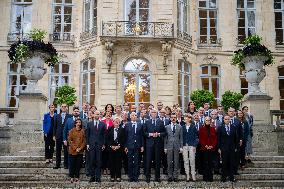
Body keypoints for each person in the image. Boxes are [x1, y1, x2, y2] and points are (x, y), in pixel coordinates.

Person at [144, 109, 166, 183]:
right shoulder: (147, 122)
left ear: (157, 114)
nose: (153, 114)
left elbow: (164, 132)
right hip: (149, 144)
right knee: (148, 161)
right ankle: (148, 176)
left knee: (157, 161)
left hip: (158, 144)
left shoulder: (161, 122)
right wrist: (150, 134)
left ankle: (157, 177)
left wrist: (159, 134)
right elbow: (144, 133)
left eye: (155, 112)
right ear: (150, 114)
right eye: (152, 112)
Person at [86, 110, 106, 183]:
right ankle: (92, 176)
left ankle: (98, 177)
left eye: (99, 114)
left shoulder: (103, 124)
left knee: (98, 161)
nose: (97, 115)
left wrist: (103, 144)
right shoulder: (89, 124)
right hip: (91, 145)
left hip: (99, 145)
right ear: (93, 115)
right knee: (91, 161)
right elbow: (87, 135)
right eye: (96, 114)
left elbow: (104, 135)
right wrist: (87, 144)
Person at [217, 115, 238, 182]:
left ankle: (231, 177)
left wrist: (236, 147)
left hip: (232, 148)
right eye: (225, 119)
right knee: (224, 163)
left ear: (230, 120)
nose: (227, 120)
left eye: (228, 119)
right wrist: (219, 148)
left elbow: (236, 138)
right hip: (223, 148)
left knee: (232, 163)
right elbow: (218, 139)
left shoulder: (233, 127)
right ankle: (223, 177)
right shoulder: (220, 128)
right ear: (223, 120)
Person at [124, 112, 144, 182]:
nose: (134, 116)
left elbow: (141, 136)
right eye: (132, 115)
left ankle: (136, 177)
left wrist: (142, 146)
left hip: (137, 145)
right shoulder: (127, 125)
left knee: (137, 161)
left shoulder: (140, 125)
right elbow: (125, 136)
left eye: (135, 115)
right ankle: (130, 176)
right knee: (129, 161)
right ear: (130, 117)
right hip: (129, 145)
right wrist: (125, 146)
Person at [164, 113, 183, 182]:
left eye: (174, 117)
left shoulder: (180, 127)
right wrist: (165, 148)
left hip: (177, 146)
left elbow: (181, 138)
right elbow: (165, 138)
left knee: (176, 161)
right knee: (169, 162)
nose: (173, 118)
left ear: (176, 118)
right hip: (169, 146)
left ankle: (175, 176)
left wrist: (181, 147)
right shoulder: (167, 127)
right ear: (170, 119)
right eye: (172, 117)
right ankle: (169, 176)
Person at [107, 117, 125, 182]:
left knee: (118, 163)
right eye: (115, 121)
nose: (116, 123)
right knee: (112, 163)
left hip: (119, 149)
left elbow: (123, 139)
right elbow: (107, 139)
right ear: (113, 122)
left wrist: (119, 146)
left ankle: (118, 176)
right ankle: (112, 176)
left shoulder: (122, 129)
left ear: (119, 123)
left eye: (118, 122)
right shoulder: (110, 129)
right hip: (111, 148)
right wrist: (111, 146)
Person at [199, 116, 217, 182]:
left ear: (210, 121)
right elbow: (201, 139)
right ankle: (205, 178)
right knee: (205, 163)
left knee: (210, 163)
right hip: (204, 148)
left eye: (209, 120)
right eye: (206, 120)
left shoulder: (213, 129)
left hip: (211, 149)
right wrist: (206, 146)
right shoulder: (201, 129)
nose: (207, 121)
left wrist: (212, 146)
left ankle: (210, 178)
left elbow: (215, 139)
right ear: (204, 121)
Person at [53, 103, 71, 169]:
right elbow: (55, 126)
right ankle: (57, 164)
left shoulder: (70, 116)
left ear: (67, 108)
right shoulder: (57, 116)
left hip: (66, 136)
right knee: (58, 150)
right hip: (58, 135)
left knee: (66, 150)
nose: (63, 107)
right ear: (60, 108)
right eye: (62, 106)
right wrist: (54, 135)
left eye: (65, 106)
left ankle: (66, 164)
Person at [68, 119, 86, 183]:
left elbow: (84, 141)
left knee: (78, 165)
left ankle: (77, 177)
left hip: (80, 151)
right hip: (72, 151)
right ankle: (71, 177)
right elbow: (70, 141)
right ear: (75, 123)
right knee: (72, 164)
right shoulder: (71, 131)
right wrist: (75, 148)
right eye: (77, 122)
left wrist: (80, 148)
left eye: (79, 122)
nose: (78, 123)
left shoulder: (83, 131)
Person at [182, 113, 198, 182]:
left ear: (189, 119)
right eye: (184, 117)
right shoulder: (182, 127)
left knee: (192, 160)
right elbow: (181, 137)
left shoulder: (193, 127)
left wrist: (195, 145)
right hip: (184, 146)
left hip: (192, 146)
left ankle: (193, 175)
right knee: (185, 161)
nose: (184, 119)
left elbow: (196, 137)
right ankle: (187, 175)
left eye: (186, 118)